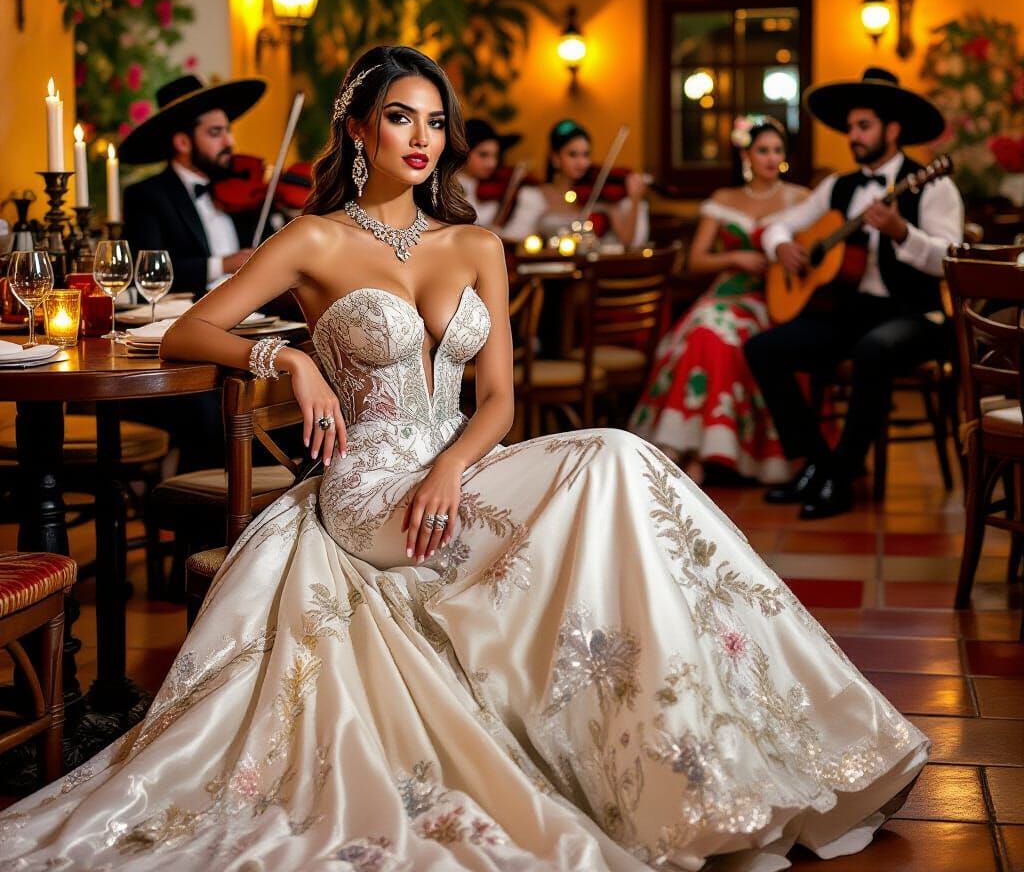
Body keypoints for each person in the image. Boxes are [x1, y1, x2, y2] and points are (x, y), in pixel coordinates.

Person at [0, 47, 927, 870]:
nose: (424, 137)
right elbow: (188, 334)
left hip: (461, 467)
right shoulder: (315, 238)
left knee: (619, 461)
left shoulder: (476, 242)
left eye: (437, 121)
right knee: (608, 471)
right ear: (360, 129)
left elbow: (500, 404)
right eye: (402, 117)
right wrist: (282, 357)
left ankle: (687, 760)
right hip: (367, 492)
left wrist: (450, 466)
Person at [745, 67, 963, 520]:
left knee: (872, 351)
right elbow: (782, 224)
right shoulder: (838, 186)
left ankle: (838, 479)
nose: (853, 135)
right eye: (850, 127)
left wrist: (904, 233)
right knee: (765, 348)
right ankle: (817, 464)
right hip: (854, 310)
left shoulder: (935, 184)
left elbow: (950, 260)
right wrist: (781, 245)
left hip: (918, 315)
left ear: (893, 129)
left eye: (863, 126)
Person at [630, 115, 807, 486]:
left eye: (777, 150)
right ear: (747, 155)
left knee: (720, 334)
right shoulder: (723, 200)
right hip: (725, 295)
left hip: (773, 301)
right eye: (763, 150)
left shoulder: (801, 199)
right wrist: (734, 258)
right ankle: (685, 449)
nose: (771, 158)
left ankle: (709, 454)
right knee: (702, 329)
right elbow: (695, 260)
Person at [121, 74, 269, 299]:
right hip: (187, 319)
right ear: (183, 143)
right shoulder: (146, 196)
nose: (229, 142)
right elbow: (149, 272)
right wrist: (223, 265)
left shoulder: (242, 191)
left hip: (257, 314)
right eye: (215, 132)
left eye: (228, 130)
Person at [536, 119, 649, 247]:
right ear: (555, 158)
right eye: (573, 155)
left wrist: (635, 199)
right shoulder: (537, 195)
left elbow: (627, 242)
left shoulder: (602, 193)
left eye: (586, 155)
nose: (582, 163)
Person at [457, 117, 546, 241]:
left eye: (495, 156)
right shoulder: (445, 186)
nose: (492, 163)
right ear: (462, 152)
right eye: (483, 155)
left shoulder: (506, 184)